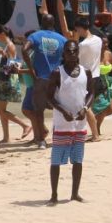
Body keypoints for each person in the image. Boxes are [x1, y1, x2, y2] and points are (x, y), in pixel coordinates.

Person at [45, 41, 93, 205]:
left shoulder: (86, 72)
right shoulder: (57, 73)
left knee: (78, 160)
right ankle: (54, 195)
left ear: (78, 52)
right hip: (62, 124)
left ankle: (75, 194)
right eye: (68, 51)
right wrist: (63, 111)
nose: (72, 54)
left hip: (80, 124)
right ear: (63, 54)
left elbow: (92, 93)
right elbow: (49, 97)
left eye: (74, 51)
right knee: (56, 161)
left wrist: (85, 108)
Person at [22, 14, 67, 149]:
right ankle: (60, 137)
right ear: (54, 24)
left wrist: (31, 69)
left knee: (38, 109)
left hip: (41, 78)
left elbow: (24, 49)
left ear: (41, 23)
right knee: (58, 108)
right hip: (58, 78)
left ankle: (41, 141)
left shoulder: (36, 35)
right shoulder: (62, 39)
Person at [0, 25, 30, 143]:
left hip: (6, 81)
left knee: (0, 111)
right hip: (4, 79)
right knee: (2, 110)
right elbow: (9, 62)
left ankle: (25, 126)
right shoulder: (8, 46)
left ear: (2, 34)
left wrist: (4, 54)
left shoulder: (10, 46)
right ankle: (6, 137)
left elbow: (12, 65)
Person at [75, 17, 104, 141]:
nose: (77, 32)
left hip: (87, 79)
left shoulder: (83, 44)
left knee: (86, 107)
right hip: (97, 76)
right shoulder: (98, 40)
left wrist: (75, 40)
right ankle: (93, 133)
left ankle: (95, 135)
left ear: (81, 28)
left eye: (77, 30)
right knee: (88, 106)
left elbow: (75, 59)